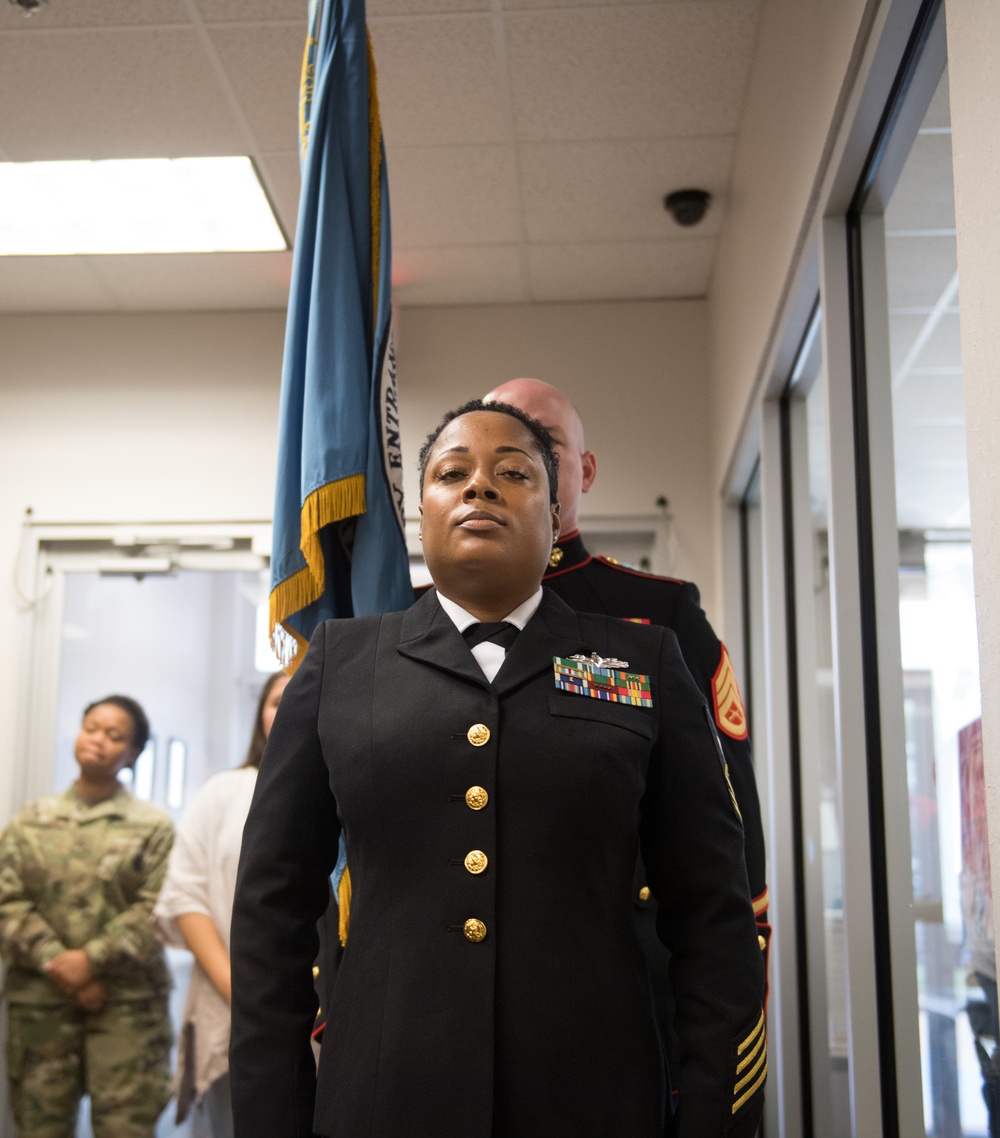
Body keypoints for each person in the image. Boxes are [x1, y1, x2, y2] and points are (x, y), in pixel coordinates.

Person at [230, 399, 766, 1138]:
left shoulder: (641, 660)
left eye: (513, 473)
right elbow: (272, 913)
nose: (480, 487)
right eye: (453, 473)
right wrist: (273, 1117)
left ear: (556, 517)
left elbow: (713, 915)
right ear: (422, 511)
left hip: (594, 1101)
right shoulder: (342, 664)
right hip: (381, 1102)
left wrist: (712, 1120)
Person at [484, 378, 770, 968]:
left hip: (617, 973)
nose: (523, 455)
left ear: (585, 471)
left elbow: (725, 814)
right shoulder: (413, 617)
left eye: (547, 440)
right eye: (504, 439)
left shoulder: (659, 615)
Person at [0, 695, 174, 1138]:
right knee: (40, 1128)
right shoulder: (30, 821)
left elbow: (158, 908)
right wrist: (61, 963)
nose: (98, 740)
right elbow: (8, 900)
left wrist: (91, 960)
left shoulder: (153, 827)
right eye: (91, 727)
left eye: (115, 736)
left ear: (132, 753)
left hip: (127, 1010)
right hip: (42, 1005)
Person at [154, 670, 290, 1138]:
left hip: (330, 1016)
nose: (289, 708)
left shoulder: (358, 786)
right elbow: (185, 895)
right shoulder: (224, 791)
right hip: (229, 1002)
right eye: (276, 701)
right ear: (259, 717)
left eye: (301, 695)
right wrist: (242, 992)